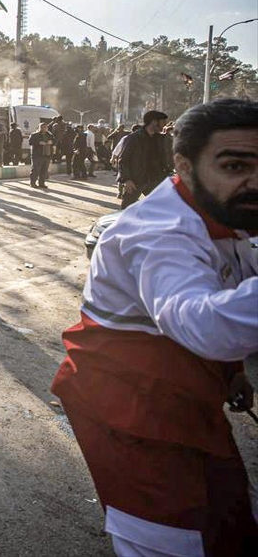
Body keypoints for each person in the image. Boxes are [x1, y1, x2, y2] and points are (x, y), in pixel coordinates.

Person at [51, 99, 258, 557]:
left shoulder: (226, 213)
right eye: (235, 165)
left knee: (228, 515)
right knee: (168, 534)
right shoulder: (159, 232)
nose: (254, 180)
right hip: (131, 406)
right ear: (183, 165)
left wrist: (231, 371)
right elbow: (200, 321)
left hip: (189, 391)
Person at [118, 110, 172, 209]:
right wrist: (127, 179)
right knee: (127, 210)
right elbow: (123, 160)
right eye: (163, 122)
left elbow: (166, 158)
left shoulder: (161, 139)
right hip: (136, 180)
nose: (165, 125)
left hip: (155, 180)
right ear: (154, 122)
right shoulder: (134, 138)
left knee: (162, 208)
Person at [28, 121, 55, 189]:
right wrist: (39, 142)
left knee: (44, 170)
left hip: (47, 154)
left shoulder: (49, 135)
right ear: (39, 127)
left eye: (45, 127)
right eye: (42, 127)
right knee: (35, 169)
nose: (44, 128)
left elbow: (55, 141)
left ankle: (41, 183)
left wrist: (51, 142)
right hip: (37, 155)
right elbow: (30, 142)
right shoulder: (34, 135)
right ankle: (33, 183)